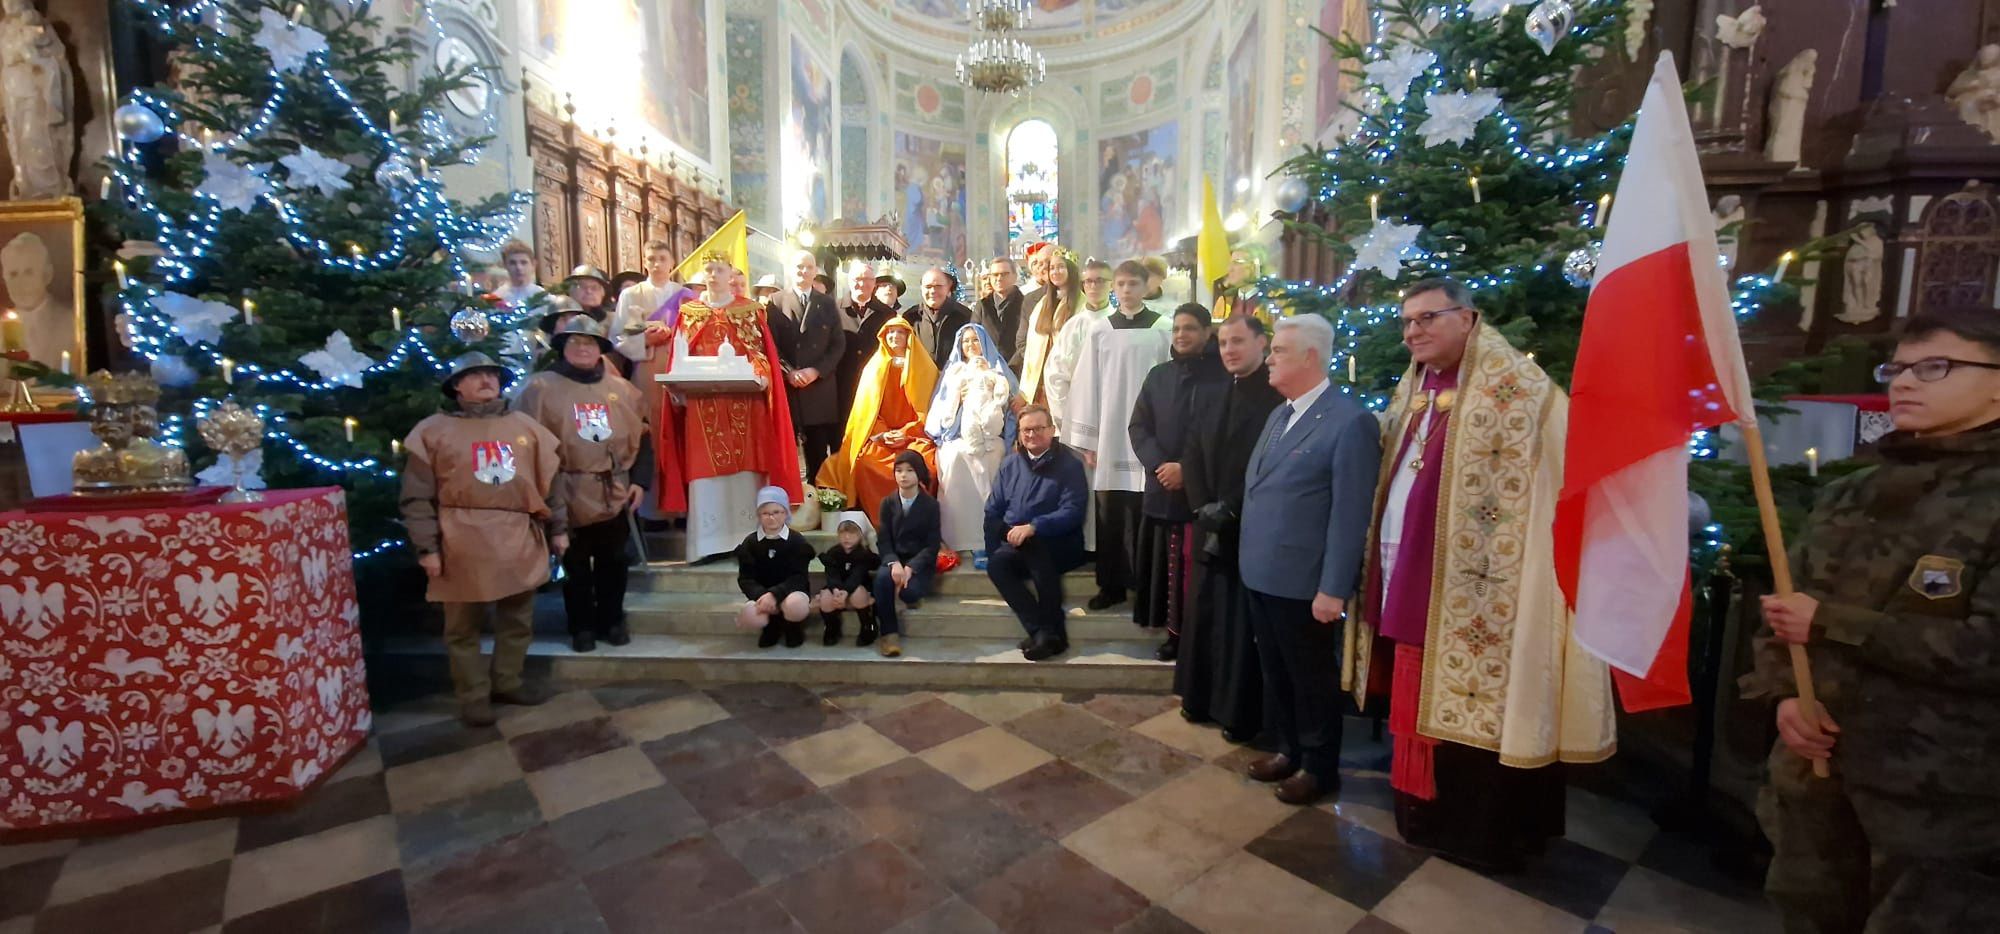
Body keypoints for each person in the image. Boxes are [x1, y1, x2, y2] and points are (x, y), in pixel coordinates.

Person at [1749, 305, 2000, 931]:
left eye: (1935, 367)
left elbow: (1987, 649)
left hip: (1936, 794)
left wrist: (1832, 622)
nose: (1904, 382)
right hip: (1815, 774)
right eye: (1899, 367)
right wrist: (1786, 695)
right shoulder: (1853, 492)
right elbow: (1787, 606)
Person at [1346, 278, 1611, 857]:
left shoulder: (1520, 391)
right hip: (1411, 575)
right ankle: (1424, 813)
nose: (1413, 331)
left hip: (1491, 595)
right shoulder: (1414, 388)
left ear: (1468, 318)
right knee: (1416, 695)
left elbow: (1561, 483)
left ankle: (1485, 834)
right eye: (1407, 321)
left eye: (1427, 318)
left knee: (1484, 713)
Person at [1238, 314, 1381, 806]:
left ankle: (1320, 768)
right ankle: (1288, 748)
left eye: (1278, 350)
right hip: (1262, 572)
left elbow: (1349, 514)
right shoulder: (1282, 413)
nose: (1271, 358)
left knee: (1311, 680)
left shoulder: (1349, 421)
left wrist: (1334, 588)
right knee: (1277, 673)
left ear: (1310, 357)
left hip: (1306, 583)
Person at [401, 352, 564, 726]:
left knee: (517, 618)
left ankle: (508, 681)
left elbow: (553, 484)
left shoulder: (526, 427)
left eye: (491, 374)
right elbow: (416, 495)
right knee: (462, 626)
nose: (486, 380)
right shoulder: (432, 432)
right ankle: (473, 695)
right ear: (457, 385)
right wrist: (427, 547)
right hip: (460, 540)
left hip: (517, 535)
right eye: (474, 375)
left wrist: (560, 529)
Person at [654, 255, 802, 559]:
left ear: (730, 274)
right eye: (708, 270)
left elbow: (762, 355)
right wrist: (677, 387)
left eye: (719, 270)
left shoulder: (749, 311)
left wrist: (761, 375)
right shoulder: (689, 312)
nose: (713, 275)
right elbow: (679, 354)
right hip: (701, 407)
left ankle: (747, 540)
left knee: (745, 475)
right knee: (706, 475)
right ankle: (707, 544)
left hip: (745, 407)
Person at [515, 317, 647, 653]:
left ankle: (612, 620)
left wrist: (640, 482)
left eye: (590, 342)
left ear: (601, 349)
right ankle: (581, 626)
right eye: (575, 342)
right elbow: (524, 443)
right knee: (574, 565)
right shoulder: (539, 389)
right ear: (562, 347)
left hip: (613, 489)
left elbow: (645, 437)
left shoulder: (622, 390)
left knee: (613, 562)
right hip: (565, 489)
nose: (583, 348)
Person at [1179, 314, 1283, 741]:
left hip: (1249, 525)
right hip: (1208, 521)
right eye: (1222, 343)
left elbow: (1272, 465)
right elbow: (1192, 450)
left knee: (1239, 623)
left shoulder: (1277, 399)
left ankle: (1237, 712)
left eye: (1238, 341)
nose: (1229, 350)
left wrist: (1232, 509)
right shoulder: (1209, 391)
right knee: (1205, 612)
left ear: (1262, 343)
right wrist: (1202, 505)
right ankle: (1199, 698)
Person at [1066, 260, 1170, 611]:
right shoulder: (1101, 330)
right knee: (1110, 512)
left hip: (1151, 433)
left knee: (1145, 510)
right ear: (1115, 288)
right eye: (1121, 284)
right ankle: (1110, 585)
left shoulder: (1163, 328)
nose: (1126, 290)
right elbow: (1086, 385)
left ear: (1146, 287)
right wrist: (1089, 440)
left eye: (1133, 284)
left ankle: (1146, 586)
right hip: (1111, 434)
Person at [1130, 305, 1226, 657]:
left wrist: (1187, 470)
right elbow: (1138, 426)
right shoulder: (1159, 375)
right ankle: (1174, 634)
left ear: (1206, 332)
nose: (1182, 335)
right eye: (1177, 329)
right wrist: (1160, 465)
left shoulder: (1223, 377)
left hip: (1205, 492)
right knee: (1172, 569)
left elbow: (1222, 436)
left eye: (1190, 328)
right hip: (1163, 488)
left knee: (1198, 569)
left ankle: (1201, 637)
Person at [986, 405, 1090, 660]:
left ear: (1052, 430)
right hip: (1017, 544)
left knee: (1035, 546)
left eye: (1038, 429)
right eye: (1026, 430)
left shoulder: (1070, 465)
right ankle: (1043, 632)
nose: (1031, 435)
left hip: (1060, 544)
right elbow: (992, 510)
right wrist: (996, 547)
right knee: (997, 565)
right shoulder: (1009, 465)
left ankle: (1053, 634)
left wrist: (1034, 527)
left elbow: (1073, 511)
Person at [817, 316, 938, 524]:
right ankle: (881, 525)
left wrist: (905, 433)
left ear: (909, 337)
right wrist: (884, 433)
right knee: (867, 464)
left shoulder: (925, 368)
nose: (895, 336)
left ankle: (917, 525)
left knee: (929, 467)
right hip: (881, 439)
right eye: (890, 332)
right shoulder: (873, 369)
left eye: (900, 332)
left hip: (915, 438)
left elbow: (929, 410)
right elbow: (868, 412)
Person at [929, 322, 1019, 556]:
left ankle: (987, 536)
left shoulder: (998, 369)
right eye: (965, 341)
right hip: (958, 434)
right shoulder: (954, 371)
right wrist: (959, 399)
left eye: (975, 340)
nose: (970, 345)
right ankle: (958, 537)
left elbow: (1011, 402)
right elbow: (941, 406)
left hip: (991, 436)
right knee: (953, 456)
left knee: (992, 455)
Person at [769, 250, 845, 482]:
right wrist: (788, 371)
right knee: (786, 456)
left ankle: (820, 508)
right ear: (791, 269)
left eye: (808, 267)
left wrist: (815, 371)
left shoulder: (827, 304)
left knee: (818, 458)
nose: (803, 271)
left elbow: (837, 345)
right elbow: (771, 344)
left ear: (815, 272)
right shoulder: (776, 302)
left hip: (819, 390)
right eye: (799, 267)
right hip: (788, 388)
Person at [870, 450, 942, 659]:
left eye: (909, 471)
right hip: (894, 557)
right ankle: (889, 634)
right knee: (882, 581)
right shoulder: (887, 503)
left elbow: (932, 545)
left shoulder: (931, 506)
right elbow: (883, 539)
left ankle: (910, 593)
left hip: (918, 561)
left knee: (909, 593)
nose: (903, 475)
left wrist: (912, 567)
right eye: (899, 470)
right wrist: (893, 563)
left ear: (919, 474)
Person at [735, 486, 817, 648]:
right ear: (759, 515)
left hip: (790, 593)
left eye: (777, 512)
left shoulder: (796, 541)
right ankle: (771, 626)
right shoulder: (750, 543)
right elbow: (746, 578)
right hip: (762, 596)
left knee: (795, 605)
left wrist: (775, 594)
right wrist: (761, 595)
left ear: (786, 513)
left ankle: (792, 627)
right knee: (750, 614)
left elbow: (799, 577)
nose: (771, 517)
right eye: (765, 513)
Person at [1045, 257, 1116, 434]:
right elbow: (1055, 374)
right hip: (1079, 412)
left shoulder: (1122, 326)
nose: (1093, 286)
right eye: (1088, 281)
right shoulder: (1073, 326)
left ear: (1112, 285)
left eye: (1100, 281)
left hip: (1115, 410)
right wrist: (1066, 417)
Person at [834, 260, 897, 422]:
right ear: (849, 281)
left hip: (875, 385)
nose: (862, 284)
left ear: (874, 283)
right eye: (857, 279)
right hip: (841, 385)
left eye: (867, 279)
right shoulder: (834, 309)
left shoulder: (887, 314)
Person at [1018, 251, 1082, 408]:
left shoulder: (1082, 304)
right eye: (1052, 268)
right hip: (1040, 379)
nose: (1055, 272)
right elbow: (1031, 349)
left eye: (1061, 267)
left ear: (1071, 270)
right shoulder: (1042, 304)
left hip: (1068, 379)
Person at [817, 515, 880, 647]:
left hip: (857, 587)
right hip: (838, 589)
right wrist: (835, 589)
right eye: (843, 533)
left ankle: (867, 625)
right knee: (825, 597)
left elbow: (858, 574)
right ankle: (831, 627)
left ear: (860, 535)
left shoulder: (863, 554)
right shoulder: (833, 553)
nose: (846, 537)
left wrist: (845, 591)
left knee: (858, 593)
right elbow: (831, 573)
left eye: (851, 533)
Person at [905, 267, 973, 374]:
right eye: (928, 287)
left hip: (955, 382)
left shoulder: (965, 316)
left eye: (938, 286)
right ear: (921, 289)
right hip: (919, 382)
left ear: (947, 289)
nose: (933, 291)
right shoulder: (910, 317)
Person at [974, 256, 1027, 373]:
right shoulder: (982, 306)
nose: (999, 278)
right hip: (988, 370)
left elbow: (1028, 341)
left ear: (1014, 276)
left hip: (1019, 370)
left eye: (1004, 274)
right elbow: (974, 337)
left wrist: (1010, 367)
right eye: (995, 275)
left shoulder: (1026, 304)